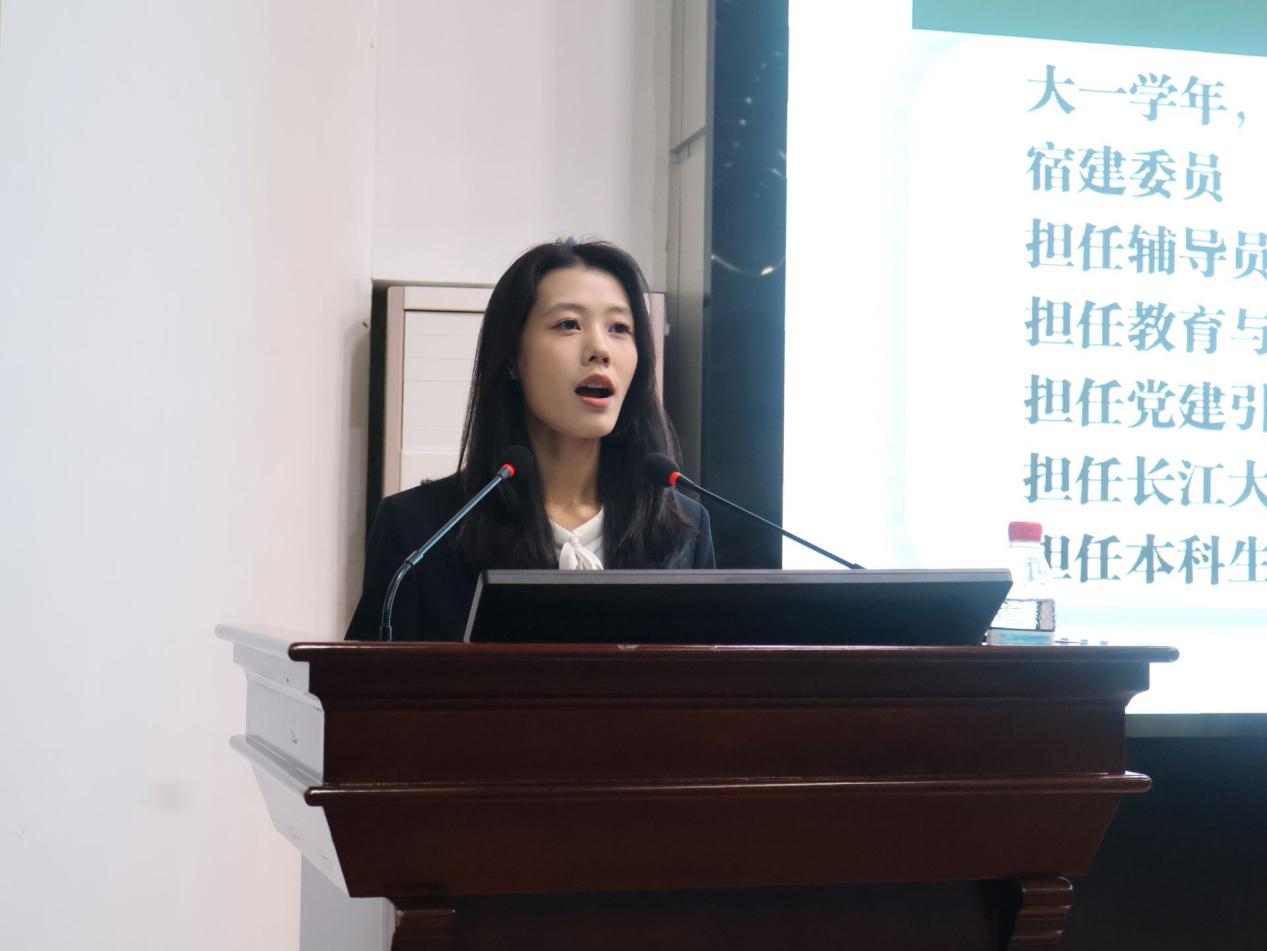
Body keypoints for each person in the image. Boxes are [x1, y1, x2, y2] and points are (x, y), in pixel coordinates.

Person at [345, 239, 715, 641]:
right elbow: (363, 679)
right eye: (568, 324)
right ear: (510, 358)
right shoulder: (419, 531)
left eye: (619, 328)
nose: (600, 350)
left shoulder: (684, 529)